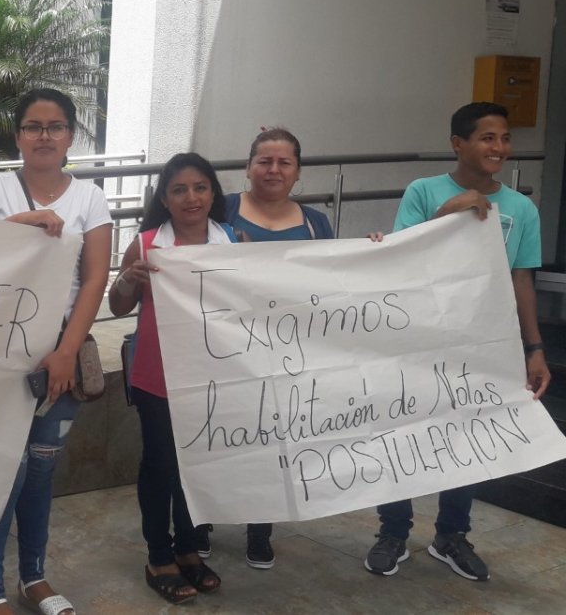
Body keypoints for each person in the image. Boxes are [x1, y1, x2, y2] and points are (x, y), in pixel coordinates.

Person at [364, 102, 551, 581]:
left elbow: (522, 279)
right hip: (419, 341)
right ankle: (393, 531)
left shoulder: (522, 208)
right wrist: (452, 210)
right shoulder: (424, 192)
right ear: (458, 144)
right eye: (488, 137)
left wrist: (534, 348)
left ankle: (451, 534)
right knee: (402, 432)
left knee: (468, 437)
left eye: (505, 138)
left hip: (484, 345)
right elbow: (402, 259)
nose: (500, 148)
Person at [0, 89, 113, 615]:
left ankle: (34, 578)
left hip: (60, 352)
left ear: (71, 135)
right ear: (18, 135)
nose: (43, 136)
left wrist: (68, 350)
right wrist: (19, 224)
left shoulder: (89, 198)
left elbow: (94, 279)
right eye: (32, 126)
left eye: (55, 127)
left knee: (43, 470)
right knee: (3, 470)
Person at [109, 153, 230, 604]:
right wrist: (126, 280)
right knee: (161, 465)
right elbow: (120, 306)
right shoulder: (145, 244)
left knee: (198, 466)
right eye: (179, 189)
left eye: (200, 187)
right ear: (164, 198)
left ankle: (189, 550)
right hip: (156, 376)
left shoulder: (232, 243)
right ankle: (159, 555)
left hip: (211, 376)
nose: (191, 197)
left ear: (213, 192)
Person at [221, 127, 334, 569]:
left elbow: (334, 282)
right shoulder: (223, 209)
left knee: (273, 445)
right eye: (264, 161)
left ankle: (259, 529)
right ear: (248, 166)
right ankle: (200, 525)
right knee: (216, 438)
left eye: (284, 162)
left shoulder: (315, 223)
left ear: (298, 171)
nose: (273, 170)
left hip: (288, 357)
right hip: (225, 351)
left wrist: (375, 253)